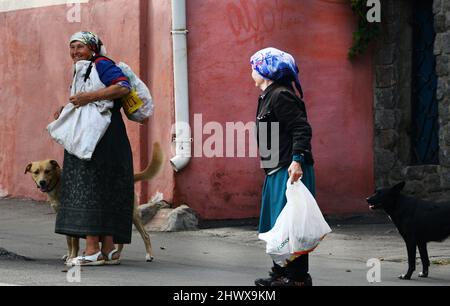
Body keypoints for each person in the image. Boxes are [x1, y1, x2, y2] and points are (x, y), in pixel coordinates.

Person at [54, 31, 134, 266]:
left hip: (99, 140)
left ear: (92, 48)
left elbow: (122, 87)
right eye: (72, 48)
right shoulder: (85, 68)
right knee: (104, 189)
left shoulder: (102, 64)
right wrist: (68, 111)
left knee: (90, 189)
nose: (75, 52)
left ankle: (91, 250)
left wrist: (88, 97)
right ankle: (108, 249)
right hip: (104, 137)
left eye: (80, 47)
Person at [251, 47, 315, 286]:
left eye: (254, 66)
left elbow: (301, 128)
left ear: (267, 70)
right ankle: (280, 273)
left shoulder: (281, 95)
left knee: (292, 226)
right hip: (276, 169)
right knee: (278, 225)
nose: (252, 71)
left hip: (289, 169)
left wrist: (297, 159)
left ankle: (297, 278)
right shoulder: (269, 95)